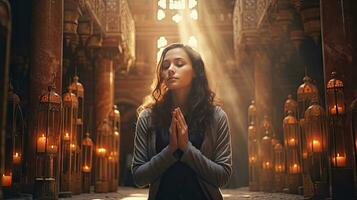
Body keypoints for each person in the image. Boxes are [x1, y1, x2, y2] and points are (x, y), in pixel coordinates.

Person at [131, 43, 232, 200]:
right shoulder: (148, 117)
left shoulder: (216, 116)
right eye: (165, 66)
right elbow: (138, 177)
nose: (170, 69)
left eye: (179, 64)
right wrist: (170, 150)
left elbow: (223, 177)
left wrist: (186, 149)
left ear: (195, 72)